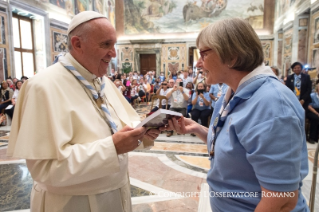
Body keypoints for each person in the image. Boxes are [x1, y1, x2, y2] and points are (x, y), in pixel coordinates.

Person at [7, 11, 160, 212]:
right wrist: (111, 148)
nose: (113, 53)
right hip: (72, 203)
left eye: (114, 45)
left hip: (116, 194)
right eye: (105, 45)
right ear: (78, 44)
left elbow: (122, 127)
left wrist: (141, 133)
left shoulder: (103, 82)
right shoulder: (42, 87)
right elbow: (43, 169)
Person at [162, 18, 309, 212]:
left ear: (232, 57)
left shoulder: (272, 106)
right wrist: (198, 129)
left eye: (203, 54)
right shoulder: (232, 91)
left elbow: (281, 200)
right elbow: (237, 146)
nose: (198, 63)